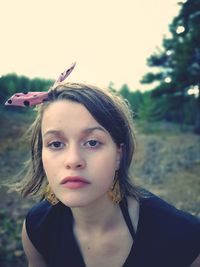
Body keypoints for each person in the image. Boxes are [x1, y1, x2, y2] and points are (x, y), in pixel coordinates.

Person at [5, 64, 200, 267]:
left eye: (92, 142)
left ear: (119, 154)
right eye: (56, 144)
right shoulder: (37, 229)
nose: (72, 160)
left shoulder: (183, 236)